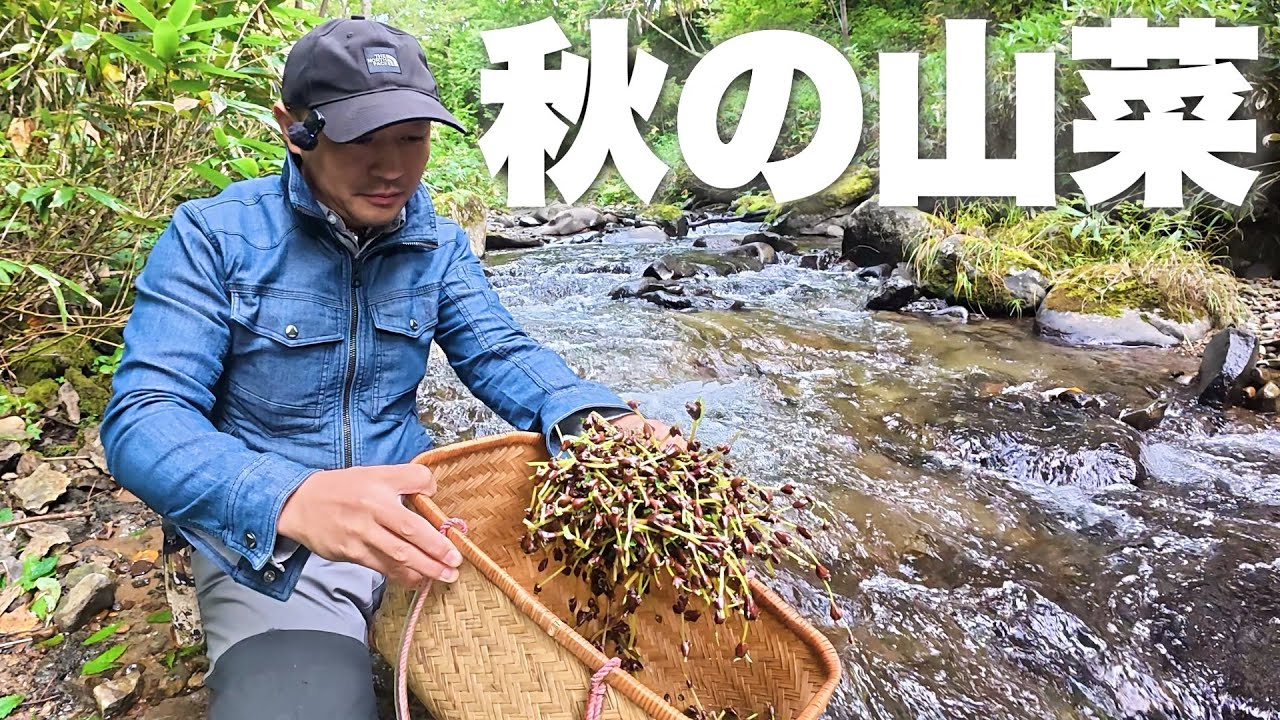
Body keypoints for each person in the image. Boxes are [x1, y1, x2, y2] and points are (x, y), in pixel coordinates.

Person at [99, 15, 675, 720]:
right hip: (280, 551)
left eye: (413, 139)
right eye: (361, 140)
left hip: (423, 521)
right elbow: (143, 420)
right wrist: (291, 498)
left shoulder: (434, 241)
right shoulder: (212, 237)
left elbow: (499, 351)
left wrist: (594, 417)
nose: (394, 168)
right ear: (294, 127)